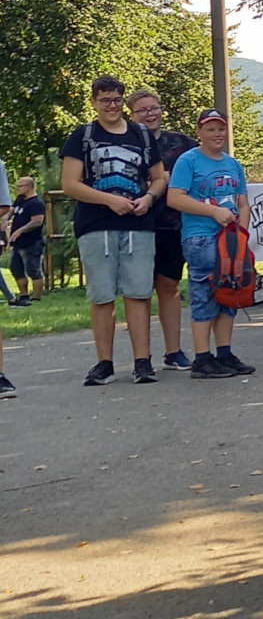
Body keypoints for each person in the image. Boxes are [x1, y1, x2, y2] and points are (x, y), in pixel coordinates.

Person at [60, 74, 168, 386]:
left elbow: (159, 178)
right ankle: (104, 363)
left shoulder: (141, 135)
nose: (112, 106)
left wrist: (149, 198)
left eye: (117, 100)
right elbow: (70, 184)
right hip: (96, 225)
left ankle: (142, 362)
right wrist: (109, 200)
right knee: (102, 295)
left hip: (138, 225)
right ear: (94, 102)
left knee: (139, 293)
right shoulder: (83, 135)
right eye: (105, 100)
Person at [166, 108, 256, 379]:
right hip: (201, 236)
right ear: (199, 132)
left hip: (230, 239)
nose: (217, 134)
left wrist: (242, 235)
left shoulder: (233, 164)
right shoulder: (189, 161)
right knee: (205, 294)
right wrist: (214, 212)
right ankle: (202, 357)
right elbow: (175, 198)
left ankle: (224, 353)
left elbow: (242, 202)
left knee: (230, 292)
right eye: (211, 129)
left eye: (221, 129)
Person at [126, 89, 197, 368]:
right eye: (143, 110)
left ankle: (174, 351)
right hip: (135, 224)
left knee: (169, 285)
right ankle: (141, 357)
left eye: (154, 108)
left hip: (172, 224)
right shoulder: (125, 143)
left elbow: (199, 172)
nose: (150, 114)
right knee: (139, 290)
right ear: (131, 115)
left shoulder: (182, 143)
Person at [7, 175, 46, 303]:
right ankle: (24, 295)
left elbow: (37, 221)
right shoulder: (20, 200)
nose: (18, 188)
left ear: (29, 187)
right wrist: (6, 219)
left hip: (32, 242)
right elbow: (11, 210)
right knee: (15, 268)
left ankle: (36, 298)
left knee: (33, 270)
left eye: (20, 186)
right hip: (18, 243)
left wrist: (21, 230)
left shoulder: (36, 203)